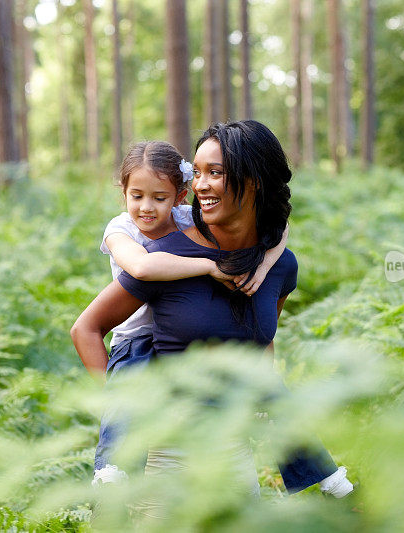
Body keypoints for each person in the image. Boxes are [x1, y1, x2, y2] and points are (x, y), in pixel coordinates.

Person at [71, 120, 352, 498]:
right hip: (164, 459)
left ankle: (327, 483)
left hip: (233, 456)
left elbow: (261, 343)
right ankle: (113, 467)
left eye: (214, 173)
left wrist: (265, 265)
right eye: (200, 172)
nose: (203, 185)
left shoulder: (278, 265)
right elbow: (89, 325)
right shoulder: (158, 251)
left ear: (253, 181)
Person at [89, 140, 289, 484]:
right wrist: (208, 268)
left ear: (180, 197)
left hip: (175, 338)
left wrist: (266, 264)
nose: (147, 208)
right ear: (123, 193)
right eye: (136, 196)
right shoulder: (120, 230)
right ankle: (112, 476)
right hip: (135, 339)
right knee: (126, 408)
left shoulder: (186, 219)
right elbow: (142, 266)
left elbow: (277, 227)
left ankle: (320, 476)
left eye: (159, 197)